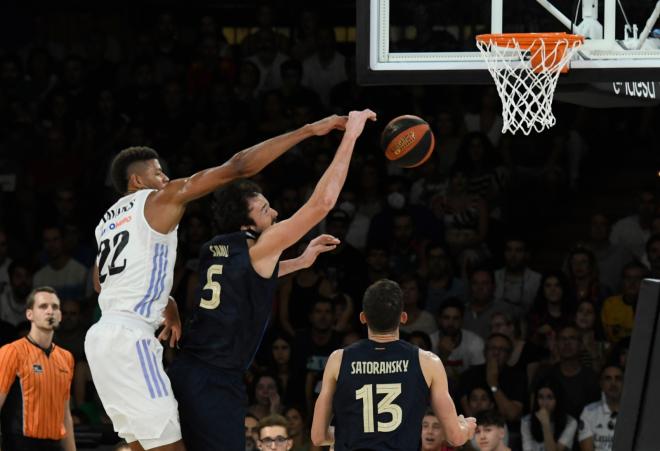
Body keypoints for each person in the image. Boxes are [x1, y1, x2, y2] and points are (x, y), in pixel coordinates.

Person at [84, 113, 349, 450]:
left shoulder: (107, 224)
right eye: (157, 173)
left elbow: (101, 282)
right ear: (137, 181)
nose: (165, 178)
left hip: (101, 341)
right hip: (132, 341)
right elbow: (239, 166)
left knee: (144, 446)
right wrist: (310, 129)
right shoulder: (159, 199)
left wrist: (167, 302)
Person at [167, 109, 377, 451]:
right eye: (265, 210)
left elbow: (246, 280)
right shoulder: (258, 246)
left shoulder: (214, 248)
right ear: (247, 224)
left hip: (190, 369)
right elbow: (321, 205)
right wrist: (350, 136)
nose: (275, 213)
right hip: (215, 379)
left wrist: (299, 261)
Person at [311, 279, 476, 450]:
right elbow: (455, 437)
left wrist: (351, 434)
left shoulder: (338, 359)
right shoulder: (428, 362)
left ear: (363, 317)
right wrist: (467, 427)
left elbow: (318, 437)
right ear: (403, 317)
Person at [0, 287, 76, 451]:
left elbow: (65, 415)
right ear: (29, 314)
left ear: (60, 316)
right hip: (19, 444)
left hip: (56, 444)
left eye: (55, 307)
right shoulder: (12, 352)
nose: (50, 311)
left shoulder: (66, 358)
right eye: (43, 306)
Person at [521, 380, 577, 451]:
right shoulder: (526, 421)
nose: (545, 403)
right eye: (541, 397)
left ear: (558, 399)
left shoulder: (570, 422)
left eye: (550, 397)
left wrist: (545, 424)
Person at [578, 365, 623, 451]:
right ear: (601, 383)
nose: (613, 383)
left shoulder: (635, 412)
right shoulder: (588, 412)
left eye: (618, 378)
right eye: (608, 378)